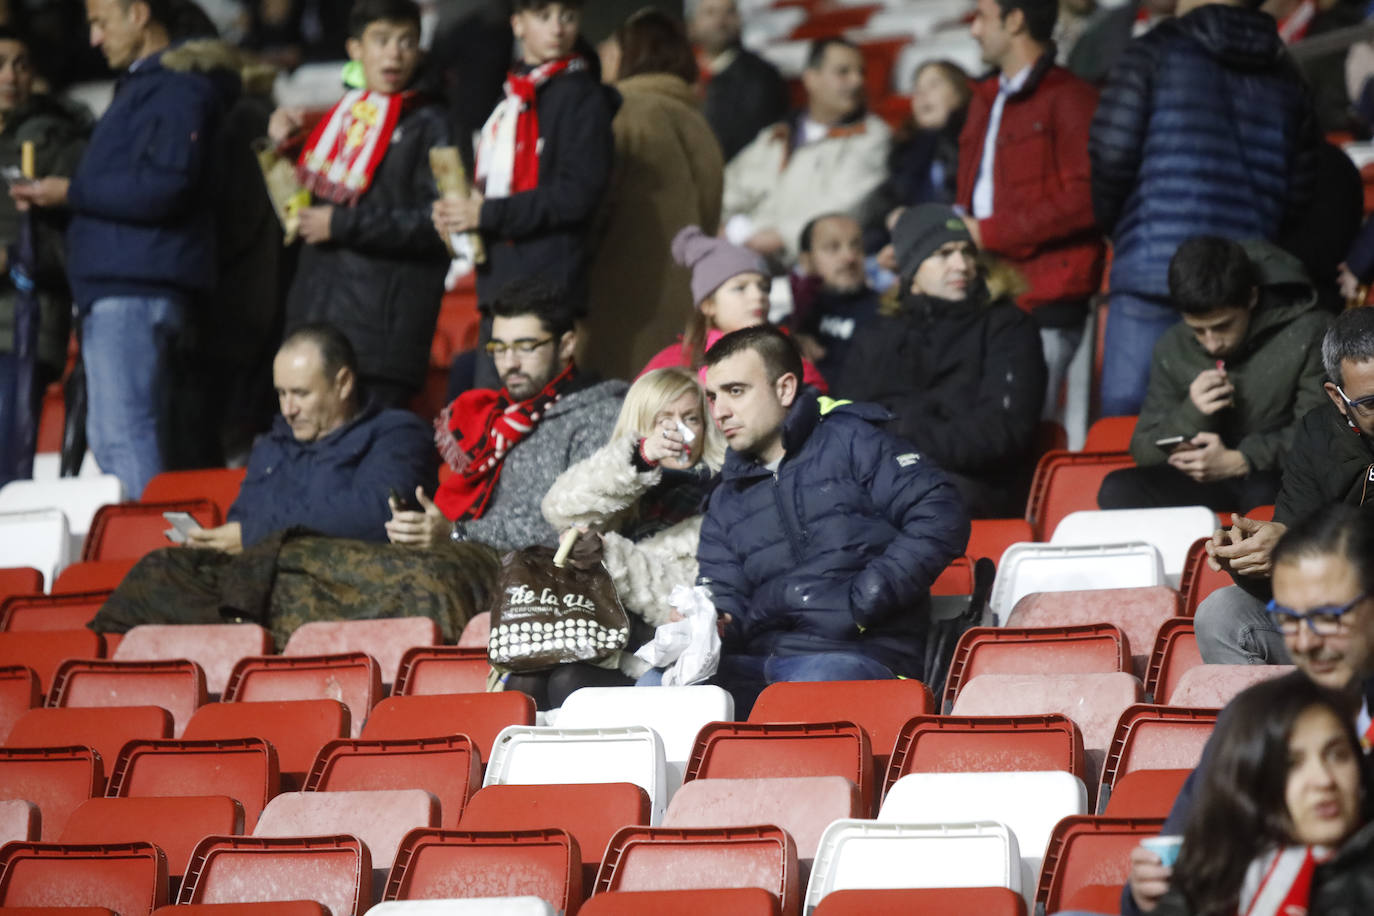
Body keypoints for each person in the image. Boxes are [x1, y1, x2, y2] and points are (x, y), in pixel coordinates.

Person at [11, 0, 238, 498]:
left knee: (126, 437)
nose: (93, 38)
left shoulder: (178, 90)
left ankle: (148, 562)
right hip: (122, 287)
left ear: (138, 14)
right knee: (117, 439)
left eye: (100, 22)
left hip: (135, 290)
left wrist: (71, 191)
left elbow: (167, 184)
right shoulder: (148, 86)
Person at [1112, 505, 1374, 916]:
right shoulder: (1257, 718)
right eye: (1288, 619)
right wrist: (1146, 894)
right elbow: (1188, 857)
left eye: (1327, 617)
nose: (1304, 642)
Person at [696, 325, 969, 715]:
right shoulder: (725, 497)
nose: (720, 411)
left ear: (785, 388)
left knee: (813, 686)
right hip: (763, 664)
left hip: (866, 653)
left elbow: (941, 514)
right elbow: (725, 595)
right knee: (661, 689)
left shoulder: (852, 440)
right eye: (712, 396)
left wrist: (862, 601)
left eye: (735, 391)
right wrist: (712, 621)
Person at [1090, 0, 1319, 418]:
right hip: (1241, 280)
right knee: (1231, 432)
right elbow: (1300, 185)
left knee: (1129, 426)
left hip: (1151, 269)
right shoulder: (1287, 73)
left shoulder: (1154, 50)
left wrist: (1117, 226)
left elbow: (1110, 152)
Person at [504, 367, 725, 709]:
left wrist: (608, 554)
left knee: (571, 683)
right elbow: (559, 507)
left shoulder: (719, 495)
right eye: (663, 419)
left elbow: (682, 600)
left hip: (657, 655)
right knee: (525, 680)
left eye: (691, 418)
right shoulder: (625, 482)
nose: (678, 431)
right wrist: (640, 459)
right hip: (589, 636)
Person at [269, 0, 452, 409]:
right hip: (317, 325)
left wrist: (343, 224)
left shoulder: (435, 124)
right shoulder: (344, 116)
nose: (394, 53)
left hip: (380, 340)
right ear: (355, 49)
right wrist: (281, 156)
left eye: (407, 41)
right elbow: (298, 215)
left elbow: (438, 223)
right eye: (382, 40)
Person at [1190, 306, 1374, 668]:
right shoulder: (1316, 434)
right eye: (1371, 404)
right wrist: (1252, 560)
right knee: (1223, 615)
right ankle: (1283, 722)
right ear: (1338, 398)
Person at [386, 279, 626, 554]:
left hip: (538, 583)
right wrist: (423, 527)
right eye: (499, 348)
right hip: (474, 561)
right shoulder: (496, 416)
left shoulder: (600, 415)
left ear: (566, 345)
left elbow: (573, 530)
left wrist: (455, 532)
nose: (509, 363)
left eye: (525, 347)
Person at [837, 203, 1046, 518]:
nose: (961, 265)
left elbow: (1002, 434)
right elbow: (844, 422)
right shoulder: (878, 334)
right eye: (943, 254)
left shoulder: (1008, 326)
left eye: (967, 252)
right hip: (880, 479)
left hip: (977, 486)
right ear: (912, 271)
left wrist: (903, 433)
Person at [436, 0, 617, 353]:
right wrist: (460, 214)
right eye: (544, 16)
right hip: (499, 282)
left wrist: (486, 214)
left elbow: (576, 196)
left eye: (568, 16)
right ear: (517, 24)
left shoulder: (583, 98)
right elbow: (488, 185)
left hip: (547, 286)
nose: (557, 27)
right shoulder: (511, 94)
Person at [1099, 236, 1329, 512]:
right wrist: (1192, 413)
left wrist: (1242, 459)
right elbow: (1144, 451)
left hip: (1277, 472)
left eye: (1223, 326)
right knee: (1118, 490)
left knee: (1265, 495)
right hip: (1209, 479)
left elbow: (1321, 436)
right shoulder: (1173, 345)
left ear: (1252, 298)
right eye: (1198, 329)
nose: (1211, 342)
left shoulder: (1311, 331)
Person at [959, 0, 1104, 422]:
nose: (973, 30)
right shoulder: (985, 99)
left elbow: (1086, 199)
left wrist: (990, 233)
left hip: (1045, 299)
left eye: (983, 17)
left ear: (1016, 19)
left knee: (1036, 433)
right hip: (987, 295)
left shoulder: (1072, 97)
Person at [185, 324, 438, 554]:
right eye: (281, 394)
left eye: (300, 393)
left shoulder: (397, 435)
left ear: (344, 383)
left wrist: (258, 535)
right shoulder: (274, 443)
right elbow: (242, 518)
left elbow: (378, 514)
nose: (288, 409)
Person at [1152, 672, 1374, 916]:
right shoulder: (1207, 876)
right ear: (1252, 777)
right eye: (1291, 763)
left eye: (1338, 755)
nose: (1324, 780)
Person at [581, 8, 724, 382]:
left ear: (633, 55)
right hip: (682, 313)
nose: (604, 57)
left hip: (618, 312)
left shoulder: (624, 111)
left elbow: (594, 207)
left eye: (613, 50)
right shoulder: (701, 124)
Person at [0, 26, 88, 486]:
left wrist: (14, 257)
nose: (10, 76)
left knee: (6, 470)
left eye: (20, 64)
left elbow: (79, 239)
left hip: (20, 327)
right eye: (0, 64)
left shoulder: (57, 140)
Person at [721, 37, 890, 264]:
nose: (857, 81)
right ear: (811, 79)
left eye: (861, 72)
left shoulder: (871, 135)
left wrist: (779, 236)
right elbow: (731, 186)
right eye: (843, 72)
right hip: (746, 251)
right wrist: (717, 224)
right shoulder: (777, 135)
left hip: (811, 262)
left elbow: (844, 204)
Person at [640, 225, 827, 391]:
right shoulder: (673, 362)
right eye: (740, 288)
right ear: (708, 304)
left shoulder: (788, 355)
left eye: (764, 287)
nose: (758, 296)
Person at [860, 59, 970, 254]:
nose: (921, 94)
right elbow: (884, 205)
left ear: (960, 92)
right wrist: (891, 217)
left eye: (934, 84)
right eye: (916, 89)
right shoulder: (903, 150)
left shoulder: (976, 142)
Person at [688, 0, 789, 163]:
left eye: (729, 12)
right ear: (691, 25)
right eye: (710, 13)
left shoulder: (763, 76)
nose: (720, 21)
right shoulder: (679, 73)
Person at [791, 213, 882, 382]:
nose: (849, 257)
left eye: (856, 246)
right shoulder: (796, 320)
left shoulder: (889, 312)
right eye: (832, 247)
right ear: (806, 261)